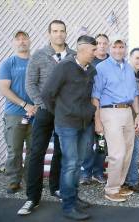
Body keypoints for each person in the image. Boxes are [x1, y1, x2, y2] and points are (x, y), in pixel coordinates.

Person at [18, 20, 76, 216]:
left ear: (66, 33)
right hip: (44, 111)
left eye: (62, 31)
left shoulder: (73, 56)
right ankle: (32, 197)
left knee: (61, 152)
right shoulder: (39, 56)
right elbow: (30, 84)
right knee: (37, 153)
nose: (59, 34)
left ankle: (56, 187)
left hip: (66, 113)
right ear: (49, 33)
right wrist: (41, 103)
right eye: (55, 31)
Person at [41, 35, 97, 220]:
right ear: (81, 49)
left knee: (78, 163)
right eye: (92, 50)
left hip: (85, 124)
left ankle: (73, 197)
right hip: (67, 125)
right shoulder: (65, 67)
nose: (95, 53)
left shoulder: (91, 70)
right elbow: (47, 93)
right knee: (70, 164)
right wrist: (59, 113)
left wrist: (89, 113)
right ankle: (68, 206)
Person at [92, 35, 139, 202]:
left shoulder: (128, 67)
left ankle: (118, 186)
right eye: (115, 47)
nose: (118, 50)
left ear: (125, 49)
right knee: (117, 153)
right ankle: (111, 189)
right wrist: (97, 120)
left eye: (121, 47)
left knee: (127, 152)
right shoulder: (101, 68)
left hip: (128, 112)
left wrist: (137, 116)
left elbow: (134, 94)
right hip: (109, 112)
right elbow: (95, 96)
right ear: (110, 48)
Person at [0, 31, 36, 194]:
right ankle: (14, 181)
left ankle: (31, 180)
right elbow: (4, 89)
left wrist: (37, 106)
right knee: (15, 150)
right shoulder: (8, 64)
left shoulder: (36, 62)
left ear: (29, 41)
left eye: (24, 38)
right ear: (14, 43)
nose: (22, 42)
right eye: (18, 39)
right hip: (14, 114)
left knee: (33, 150)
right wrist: (24, 104)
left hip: (35, 114)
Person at [80, 34, 110, 185]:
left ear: (108, 45)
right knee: (86, 145)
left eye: (105, 43)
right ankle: (86, 172)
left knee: (101, 145)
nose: (102, 45)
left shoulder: (112, 62)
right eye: (99, 43)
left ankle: (98, 172)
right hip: (87, 112)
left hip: (104, 113)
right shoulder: (88, 62)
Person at [124, 48, 139, 193]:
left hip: (137, 119)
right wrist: (135, 118)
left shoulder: (138, 74)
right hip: (130, 119)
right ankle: (132, 181)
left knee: (132, 150)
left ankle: (128, 180)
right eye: (137, 58)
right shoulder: (127, 74)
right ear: (130, 58)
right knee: (133, 150)